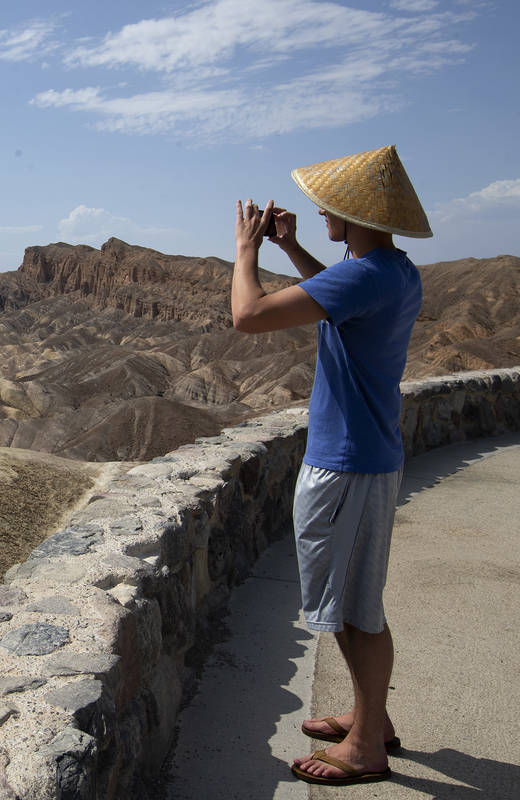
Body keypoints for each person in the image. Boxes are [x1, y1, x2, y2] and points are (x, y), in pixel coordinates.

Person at [230, 145, 431, 786]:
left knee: (352, 610)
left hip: (344, 465)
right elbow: (339, 297)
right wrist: (292, 251)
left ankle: (368, 746)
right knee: (359, 601)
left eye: (328, 203)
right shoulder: (391, 271)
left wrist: (246, 252)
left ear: (353, 210)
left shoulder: (364, 276)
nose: (319, 209)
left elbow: (248, 316)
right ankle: (372, 718)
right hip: (370, 458)